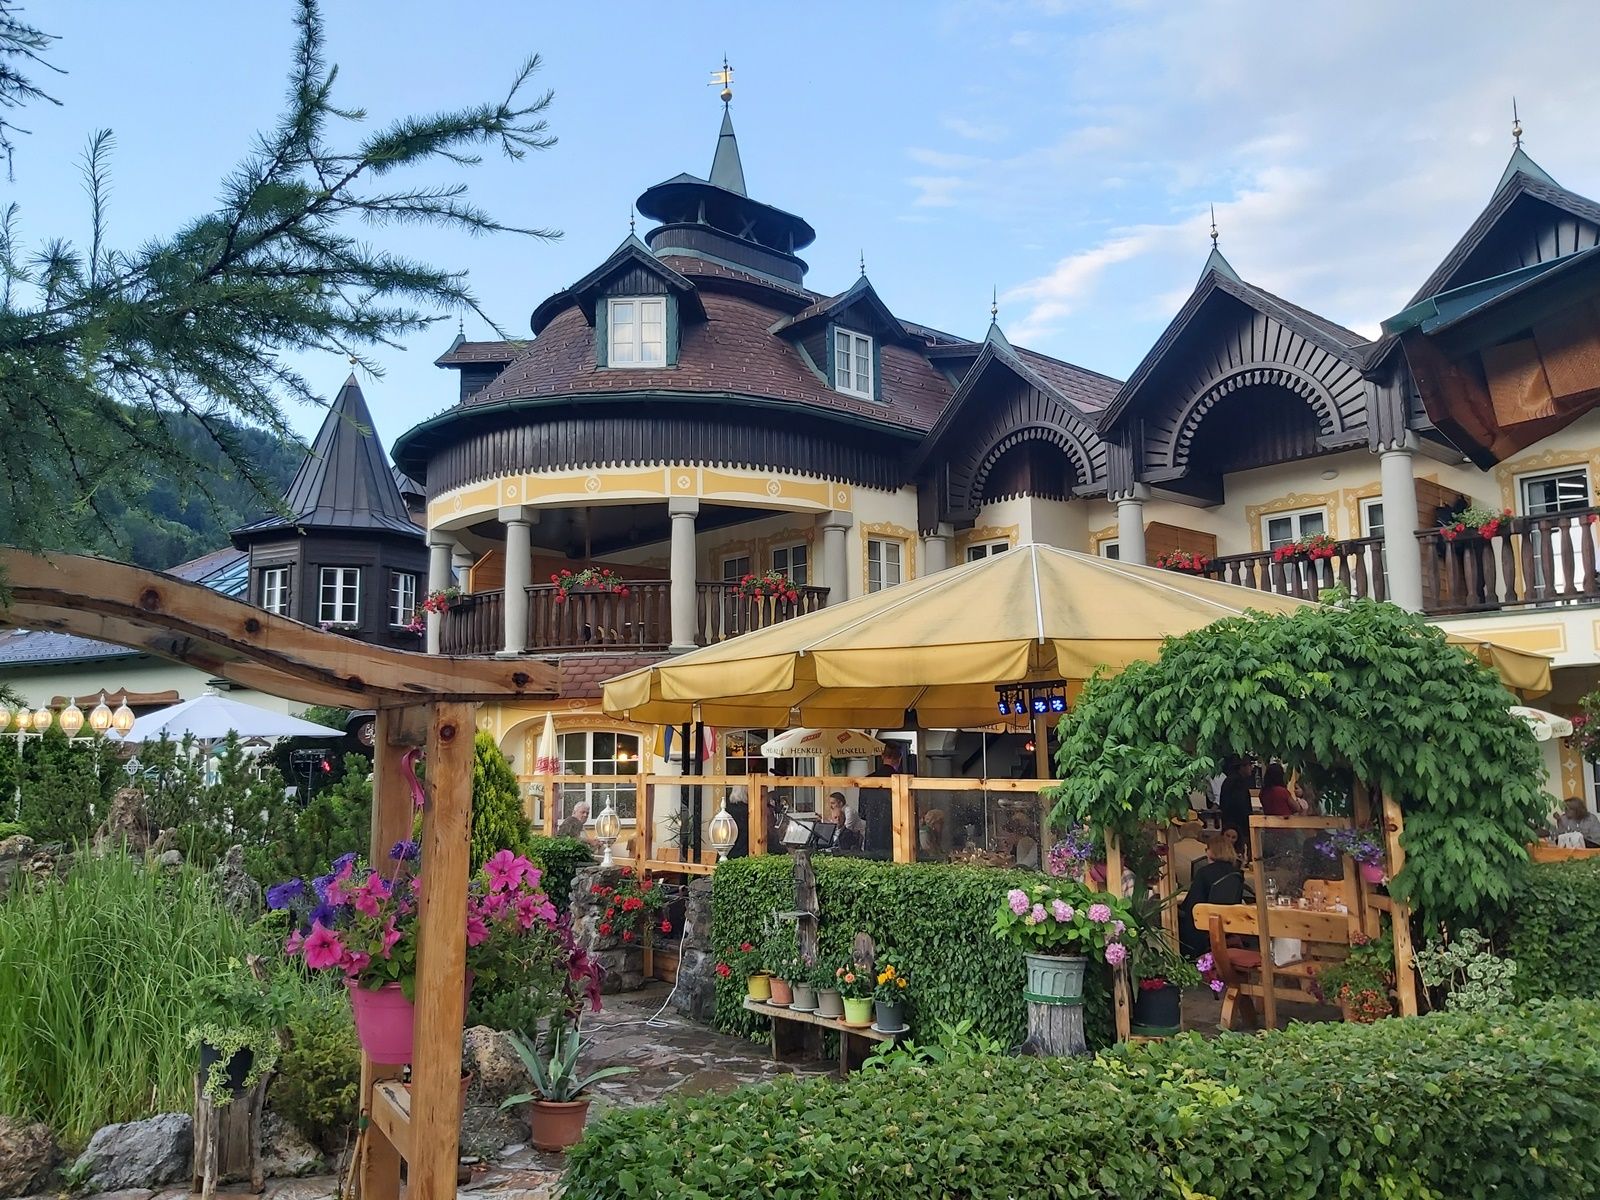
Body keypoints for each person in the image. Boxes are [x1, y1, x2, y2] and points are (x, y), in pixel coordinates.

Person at [1178, 833, 1246, 957]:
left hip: (1202, 927)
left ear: (1211, 851)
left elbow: (1191, 905)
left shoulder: (1204, 873)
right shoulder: (1237, 873)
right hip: (1226, 924)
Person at [858, 743, 903, 859]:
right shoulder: (901, 782)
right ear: (899, 758)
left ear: (882, 756)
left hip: (872, 835)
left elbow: (862, 813)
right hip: (894, 836)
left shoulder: (867, 781)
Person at [1217, 755, 1255, 862]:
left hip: (1231, 822)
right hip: (1237, 824)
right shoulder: (1237, 782)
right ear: (1242, 767)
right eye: (1249, 765)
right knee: (1237, 852)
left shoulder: (1231, 780)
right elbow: (1240, 805)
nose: (1251, 768)